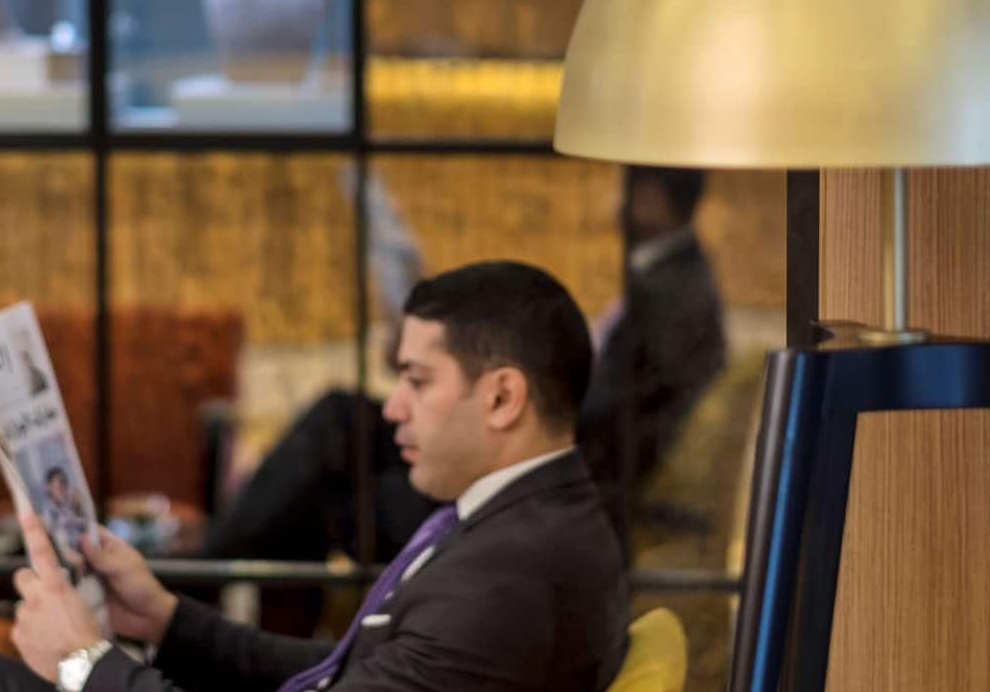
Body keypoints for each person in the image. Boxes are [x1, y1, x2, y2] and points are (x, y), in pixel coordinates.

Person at [0, 261, 629, 692]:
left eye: (416, 379)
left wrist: (80, 662)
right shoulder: (527, 520)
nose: (393, 406)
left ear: (503, 398)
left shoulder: (505, 581)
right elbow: (340, 676)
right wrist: (166, 620)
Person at [204, 166, 726, 565]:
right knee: (341, 426)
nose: (611, 207)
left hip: (526, 478)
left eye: (622, 193)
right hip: (521, 455)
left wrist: (482, 374)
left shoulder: (672, 295)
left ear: (651, 199)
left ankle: (200, 575)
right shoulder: (669, 280)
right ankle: (210, 584)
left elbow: (586, 411)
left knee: (326, 470)